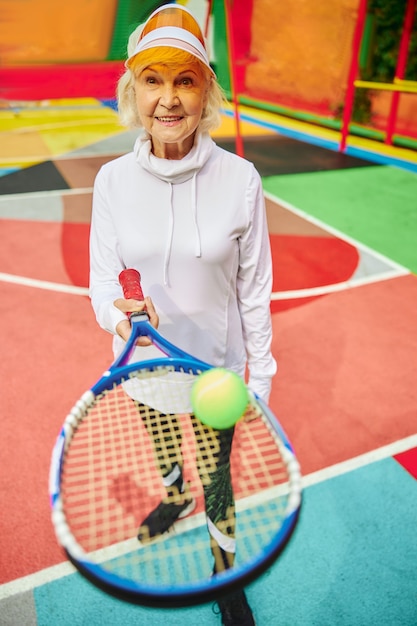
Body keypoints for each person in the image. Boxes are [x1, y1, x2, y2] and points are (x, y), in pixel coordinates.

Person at [89, 4, 277, 625]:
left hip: (214, 373)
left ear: (207, 92)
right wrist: (120, 323)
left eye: (185, 80)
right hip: (142, 363)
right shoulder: (111, 182)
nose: (168, 99)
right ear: (132, 91)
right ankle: (172, 497)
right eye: (153, 80)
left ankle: (226, 570)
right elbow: (99, 280)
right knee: (163, 445)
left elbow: (255, 289)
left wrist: (261, 378)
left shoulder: (242, 179)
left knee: (218, 474)